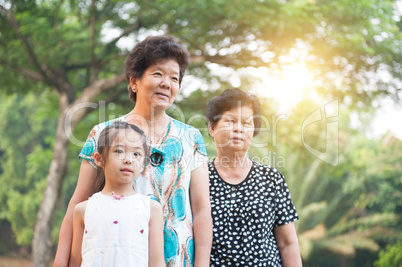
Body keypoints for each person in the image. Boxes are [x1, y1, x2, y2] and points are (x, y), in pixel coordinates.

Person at [54, 35, 212, 267]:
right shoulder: (103, 133)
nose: (167, 83)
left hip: (178, 260)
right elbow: (79, 202)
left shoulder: (191, 138)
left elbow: (201, 210)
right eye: (157, 74)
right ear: (134, 81)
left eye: (174, 78)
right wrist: (60, 261)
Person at [206, 88, 302, 266]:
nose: (239, 129)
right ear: (212, 128)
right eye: (230, 120)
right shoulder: (199, 178)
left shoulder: (272, 179)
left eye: (247, 123)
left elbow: (287, 243)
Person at [69, 122, 165, 267]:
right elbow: (75, 261)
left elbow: (157, 263)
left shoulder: (151, 209)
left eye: (136, 154)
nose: (128, 159)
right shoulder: (83, 210)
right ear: (99, 159)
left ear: (144, 163)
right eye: (119, 151)